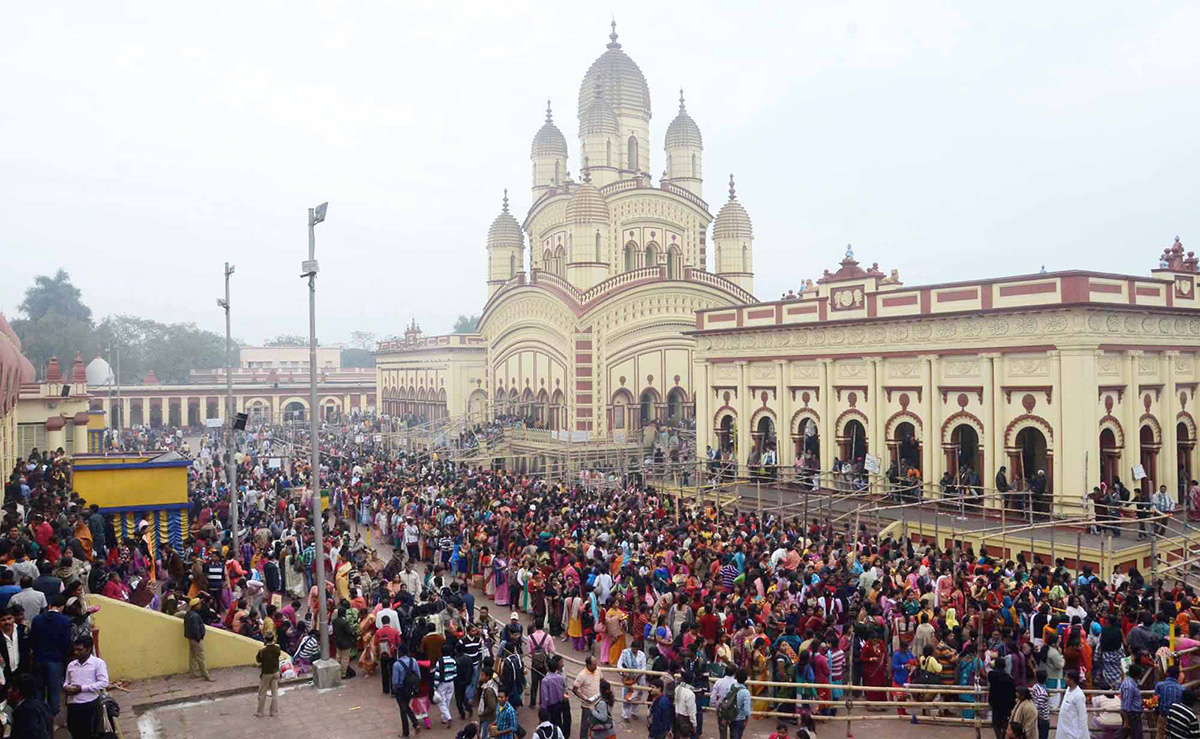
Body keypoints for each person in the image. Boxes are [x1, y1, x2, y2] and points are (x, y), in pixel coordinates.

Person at [29, 596, 72, 722]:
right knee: (54, 691)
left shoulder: (37, 619)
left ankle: (39, 717)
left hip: (39, 659)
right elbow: (66, 643)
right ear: (62, 607)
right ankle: (50, 719)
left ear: (49, 606)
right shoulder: (64, 621)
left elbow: (32, 640)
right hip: (55, 660)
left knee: (39, 690)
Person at [63, 635, 108, 739]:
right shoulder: (71, 665)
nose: (76, 652)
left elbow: (103, 682)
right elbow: (66, 682)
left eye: (80, 650)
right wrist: (66, 688)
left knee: (89, 733)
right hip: (73, 705)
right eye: (75, 650)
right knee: (75, 732)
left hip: (89, 704)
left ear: (88, 649)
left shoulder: (98, 663)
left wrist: (82, 688)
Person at [9, 672, 53, 739]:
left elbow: (32, 734)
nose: (8, 691)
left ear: (17, 691)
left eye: (11, 688)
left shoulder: (23, 711)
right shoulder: (42, 705)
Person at [393, 644, 423, 738]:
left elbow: (395, 681)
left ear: (400, 652)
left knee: (403, 710)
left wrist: (395, 690)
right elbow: (419, 675)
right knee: (406, 706)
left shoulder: (397, 664)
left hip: (401, 690)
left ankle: (406, 733)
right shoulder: (413, 661)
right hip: (411, 688)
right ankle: (415, 724)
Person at [184, 597, 214, 681]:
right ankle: (206, 675)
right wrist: (199, 637)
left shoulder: (189, 614)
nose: (200, 606)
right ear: (195, 606)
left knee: (192, 655)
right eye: (199, 604)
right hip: (196, 638)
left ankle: (193, 673)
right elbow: (195, 628)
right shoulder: (194, 616)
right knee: (201, 657)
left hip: (191, 637)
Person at [572, 655, 602, 739]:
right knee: (585, 726)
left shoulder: (598, 670)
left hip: (598, 704)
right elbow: (574, 689)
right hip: (587, 706)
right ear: (588, 665)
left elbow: (602, 680)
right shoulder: (581, 675)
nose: (596, 666)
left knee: (597, 725)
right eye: (594, 664)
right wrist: (585, 698)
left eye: (596, 664)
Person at [255, 632, 281, 718]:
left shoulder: (262, 650)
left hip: (266, 673)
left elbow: (258, 660)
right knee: (275, 692)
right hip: (275, 672)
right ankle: (274, 712)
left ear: (265, 639)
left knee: (262, 693)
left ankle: (260, 712)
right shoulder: (278, 647)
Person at [989, 659, 1016, 739]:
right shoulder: (1010, 678)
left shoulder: (992, 675)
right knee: (1005, 722)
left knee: (995, 723)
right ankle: (1002, 736)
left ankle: (999, 737)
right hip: (1006, 703)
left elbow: (990, 669)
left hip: (995, 702)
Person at [1058, 670, 1090, 739]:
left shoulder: (1079, 695)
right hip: (1064, 731)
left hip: (1073, 733)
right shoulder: (1068, 689)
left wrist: (1081, 735)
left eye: (1066, 677)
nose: (1064, 679)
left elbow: (1083, 717)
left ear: (1072, 680)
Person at [435, 642, 459, 728]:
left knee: (441, 701)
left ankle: (448, 718)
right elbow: (455, 673)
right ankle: (444, 718)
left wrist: (435, 685)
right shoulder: (453, 661)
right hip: (451, 683)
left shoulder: (440, 661)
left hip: (442, 684)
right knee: (447, 700)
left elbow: (437, 674)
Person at [1158, 666, 1186, 739]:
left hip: (1163, 715)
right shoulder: (1182, 689)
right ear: (1178, 675)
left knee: (1160, 735)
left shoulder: (1159, 685)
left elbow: (1156, 700)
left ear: (1167, 674)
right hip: (1177, 718)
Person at [1122, 663, 1146, 739]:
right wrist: (1126, 721)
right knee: (1136, 736)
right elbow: (1126, 706)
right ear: (1137, 674)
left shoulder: (1132, 683)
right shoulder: (1129, 686)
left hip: (1134, 714)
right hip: (1132, 715)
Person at [730, 669, 752, 739]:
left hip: (730, 716)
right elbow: (746, 710)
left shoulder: (730, 687)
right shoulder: (745, 692)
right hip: (739, 718)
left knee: (732, 735)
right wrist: (746, 720)